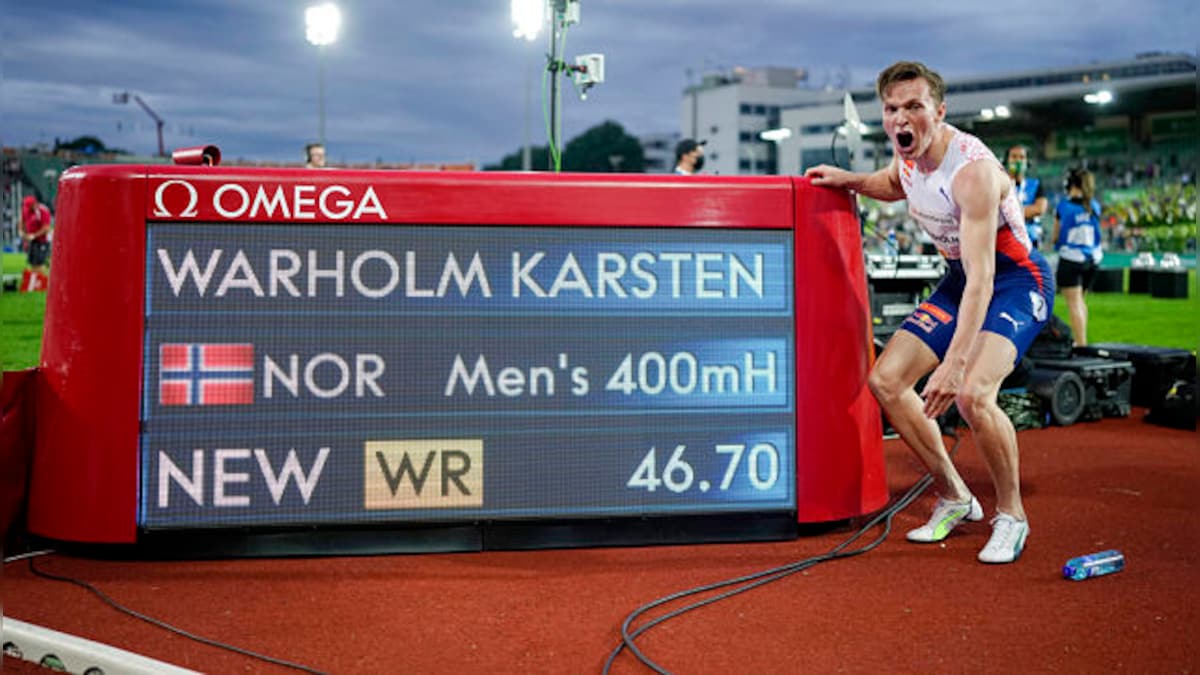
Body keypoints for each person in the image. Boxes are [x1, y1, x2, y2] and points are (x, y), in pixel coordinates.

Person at [805, 61, 1054, 564]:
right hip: (961, 280)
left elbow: (984, 281)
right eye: (892, 109)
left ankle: (1012, 516)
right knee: (887, 381)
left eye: (914, 107)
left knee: (972, 396)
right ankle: (957, 496)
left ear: (939, 112)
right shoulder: (908, 158)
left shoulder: (973, 173)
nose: (902, 117)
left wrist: (955, 360)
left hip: (1013, 282)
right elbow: (892, 182)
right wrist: (847, 180)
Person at [1053, 168, 1103, 346]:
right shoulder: (1095, 206)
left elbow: (1056, 236)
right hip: (1093, 259)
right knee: (1081, 301)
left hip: (1071, 258)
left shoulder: (1064, 206)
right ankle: (1081, 339)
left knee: (1074, 304)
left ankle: (1081, 344)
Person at [1005, 145, 1048, 250]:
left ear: (1027, 162)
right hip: (1008, 241)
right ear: (1006, 161)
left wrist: (1009, 214)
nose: (1018, 161)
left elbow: (1039, 209)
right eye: (1014, 157)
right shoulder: (1000, 184)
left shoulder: (1035, 184)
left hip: (1031, 239)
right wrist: (1027, 211)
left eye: (1022, 157)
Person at [21, 195, 53, 277]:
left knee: (39, 262)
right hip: (33, 240)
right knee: (33, 262)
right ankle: (36, 281)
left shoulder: (43, 210)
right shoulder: (26, 210)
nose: (27, 208)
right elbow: (22, 221)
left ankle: (44, 279)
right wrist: (23, 233)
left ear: (34, 204)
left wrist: (33, 235)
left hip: (43, 240)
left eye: (29, 206)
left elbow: (46, 227)